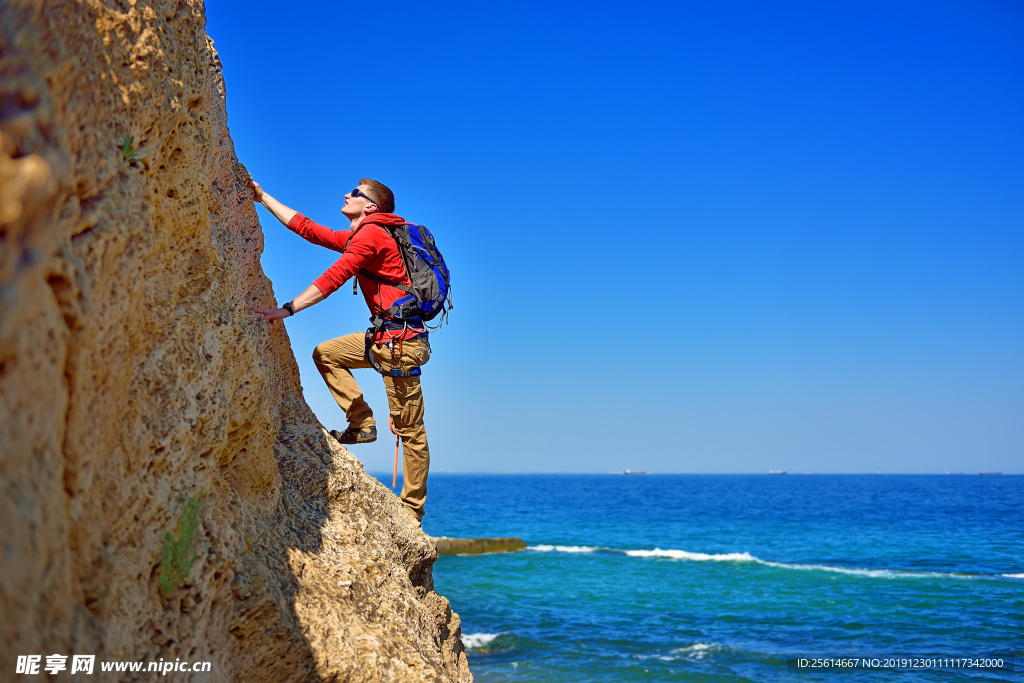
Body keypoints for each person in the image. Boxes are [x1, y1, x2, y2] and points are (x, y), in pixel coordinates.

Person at [250, 178, 431, 523]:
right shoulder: (366, 235)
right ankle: (362, 423)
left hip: (400, 344)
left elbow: (336, 275)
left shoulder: (372, 234)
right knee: (327, 353)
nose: (348, 194)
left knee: (411, 431)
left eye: (356, 193)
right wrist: (262, 197)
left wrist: (288, 309)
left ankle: (412, 510)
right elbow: (308, 229)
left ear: (371, 207)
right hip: (384, 339)